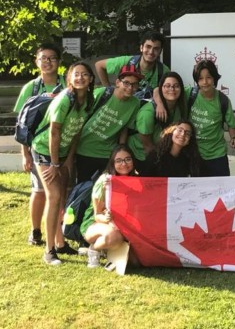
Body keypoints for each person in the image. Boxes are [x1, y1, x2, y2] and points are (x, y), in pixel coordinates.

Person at [31, 62, 95, 265]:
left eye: (85, 74)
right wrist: (55, 163)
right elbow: (54, 131)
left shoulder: (87, 101)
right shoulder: (64, 100)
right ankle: (49, 250)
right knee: (54, 196)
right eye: (76, 74)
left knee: (64, 196)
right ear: (69, 78)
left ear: (91, 79)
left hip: (63, 155)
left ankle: (61, 243)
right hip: (44, 151)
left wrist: (68, 159)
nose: (80, 78)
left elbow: (76, 133)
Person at [13, 43, 67, 246]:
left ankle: (58, 231)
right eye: (43, 58)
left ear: (59, 62)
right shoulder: (32, 87)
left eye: (52, 58)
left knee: (62, 190)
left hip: (63, 146)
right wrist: (24, 154)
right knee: (40, 191)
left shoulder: (66, 83)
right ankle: (36, 231)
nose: (47, 62)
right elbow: (22, 124)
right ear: (36, 62)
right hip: (39, 148)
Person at [75, 65, 142, 183]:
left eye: (135, 84)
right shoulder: (102, 93)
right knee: (82, 188)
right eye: (126, 83)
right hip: (84, 149)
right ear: (117, 82)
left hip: (107, 153)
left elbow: (124, 128)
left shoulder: (135, 103)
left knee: (106, 189)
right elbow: (81, 115)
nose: (130, 87)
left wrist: (121, 150)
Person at [80, 145, 138, 268]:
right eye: (118, 160)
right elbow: (97, 215)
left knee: (136, 263)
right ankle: (94, 249)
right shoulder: (105, 181)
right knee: (114, 237)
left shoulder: (137, 179)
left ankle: (107, 249)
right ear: (112, 163)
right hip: (97, 224)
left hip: (124, 225)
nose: (124, 164)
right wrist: (107, 218)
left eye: (128, 159)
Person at [185, 60, 235, 176]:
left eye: (208, 77)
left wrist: (233, 137)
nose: (205, 82)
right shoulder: (189, 94)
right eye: (200, 78)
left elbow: (231, 124)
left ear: (214, 78)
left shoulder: (223, 100)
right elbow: (162, 91)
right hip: (194, 154)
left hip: (217, 155)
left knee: (221, 191)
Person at [127, 72, 188, 175]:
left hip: (163, 150)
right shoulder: (147, 113)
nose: (172, 89)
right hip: (143, 155)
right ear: (161, 89)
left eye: (176, 86)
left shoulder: (180, 106)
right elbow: (148, 146)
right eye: (167, 86)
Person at [95, 31, 169, 95]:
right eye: (148, 47)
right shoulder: (126, 62)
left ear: (160, 52)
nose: (151, 52)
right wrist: (108, 90)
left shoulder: (164, 71)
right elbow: (99, 65)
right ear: (141, 48)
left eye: (156, 48)